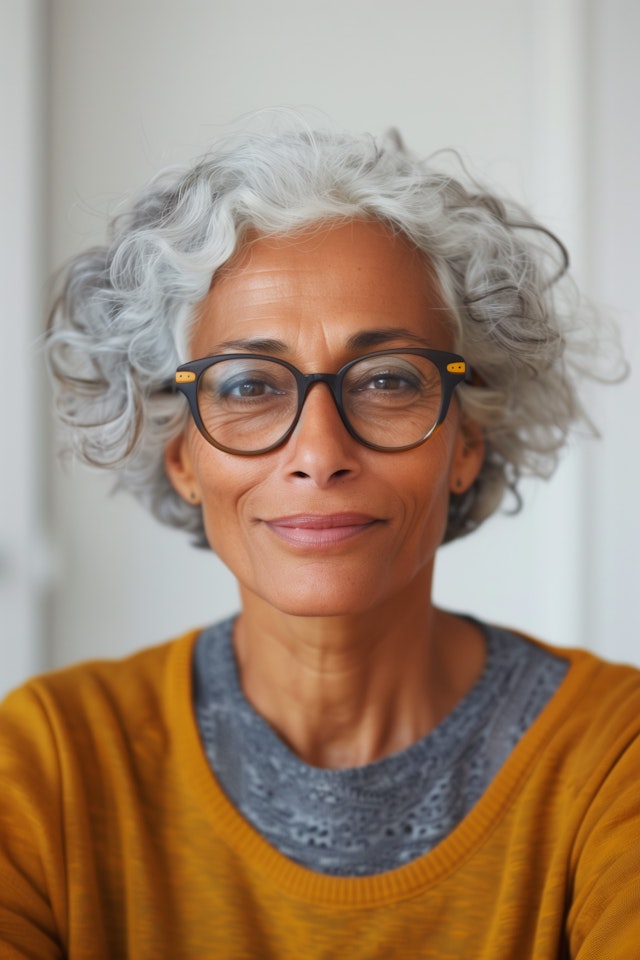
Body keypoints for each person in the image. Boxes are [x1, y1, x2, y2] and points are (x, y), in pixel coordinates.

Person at [1, 117, 638, 959]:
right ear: (183, 456)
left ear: (467, 443)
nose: (319, 454)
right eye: (248, 385)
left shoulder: (612, 754)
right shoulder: (50, 761)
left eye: (385, 380)